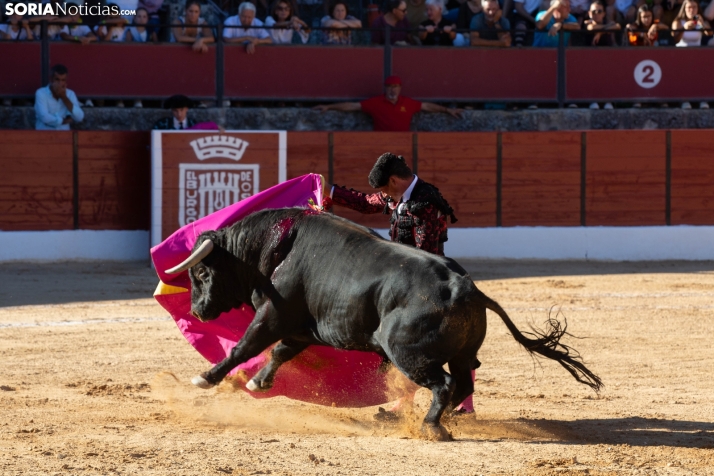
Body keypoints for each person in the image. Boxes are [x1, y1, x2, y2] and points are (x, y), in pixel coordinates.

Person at [320, 152, 475, 415]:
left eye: (384, 189)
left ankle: (460, 404)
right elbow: (367, 202)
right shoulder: (399, 195)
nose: (382, 195)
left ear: (393, 181)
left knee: (416, 340)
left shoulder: (425, 202)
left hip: (428, 282)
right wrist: (330, 191)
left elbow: (423, 253)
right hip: (408, 277)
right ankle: (412, 402)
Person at [313, 75, 462, 132]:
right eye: (390, 87)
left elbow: (427, 106)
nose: (392, 90)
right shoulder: (376, 102)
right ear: (385, 88)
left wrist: (447, 110)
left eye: (395, 87)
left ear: (400, 88)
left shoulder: (408, 103)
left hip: (404, 143)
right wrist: (329, 106)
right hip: (382, 143)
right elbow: (352, 106)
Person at [672, 0, 711, 109]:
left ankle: (702, 99)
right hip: (681, 55)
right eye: (689, 7)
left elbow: (709, 33)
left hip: (697, 55)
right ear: (684, 9)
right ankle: (684, 100)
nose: (691, 10)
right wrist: (683, 29)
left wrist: (702, 24)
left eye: (694, 7)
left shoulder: (700, 22)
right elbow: (675, 38)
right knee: (684, 74)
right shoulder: (678, 22)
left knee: (702, 72)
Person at [34, 64, 84, 131]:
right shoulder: (41, 93)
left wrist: (64, 98)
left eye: (63, 80)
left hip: (64, 137)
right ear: (51, 79)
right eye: (57, 80)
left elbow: (79, 117)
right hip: (45, 135)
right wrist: (64, 121)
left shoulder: (70, 94)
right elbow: (44, 117)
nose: (60, 83)